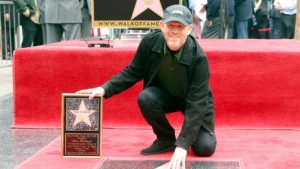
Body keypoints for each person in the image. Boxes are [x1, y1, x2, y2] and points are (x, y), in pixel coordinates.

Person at [76, 4, 216, 169]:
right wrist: (104, 89)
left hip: (193, 100)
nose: (175, 31)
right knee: (146, 98)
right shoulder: (149, 42)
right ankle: (166, 139)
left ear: (189, 29)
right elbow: (132, 72)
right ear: (161, 26)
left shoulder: (199, 58)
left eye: (180, 27)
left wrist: (183, 145)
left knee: (204, 148)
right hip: (166, 95)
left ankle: (182, 141)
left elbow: (197, 104)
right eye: (171, 25)